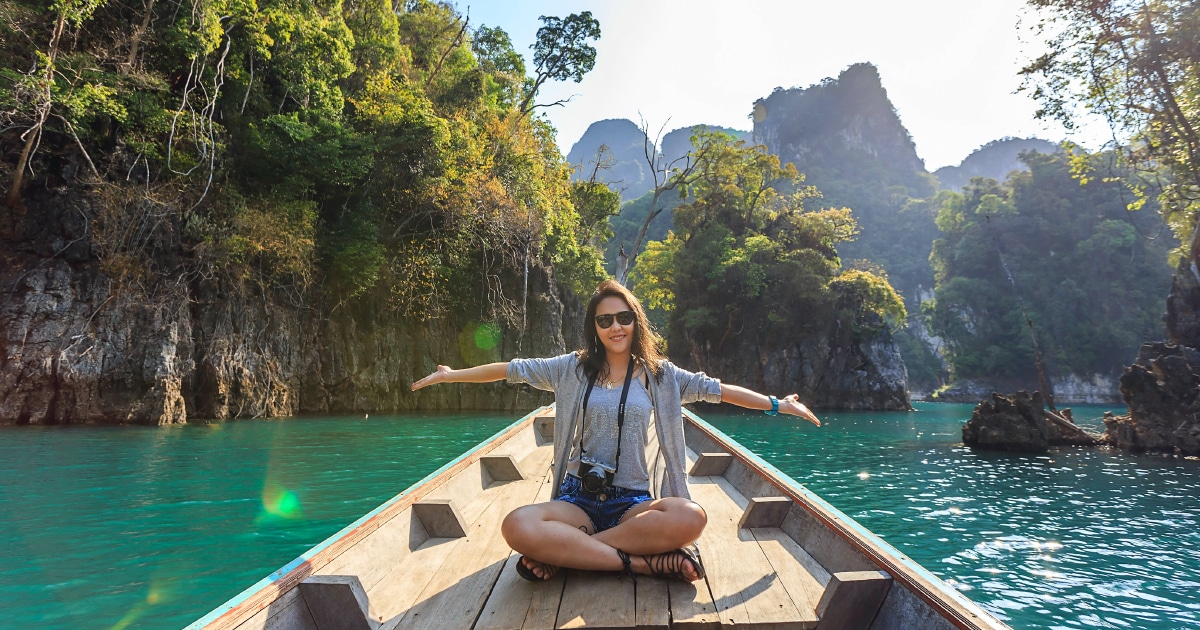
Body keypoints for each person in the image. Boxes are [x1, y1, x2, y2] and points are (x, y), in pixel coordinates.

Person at [411, 279, 821, 583]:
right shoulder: (571, 368)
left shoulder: (663, 377)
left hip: (631, 503)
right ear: (595, 326)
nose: (615, 327)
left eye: (623, 317)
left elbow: (720, 390)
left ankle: (571, 554)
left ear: (635, 321)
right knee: (516, 525)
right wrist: (451, 376)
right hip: (578, 499)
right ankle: (639, 563)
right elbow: (510, 369)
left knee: (690, 516)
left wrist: (777, 405)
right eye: (604, 320)